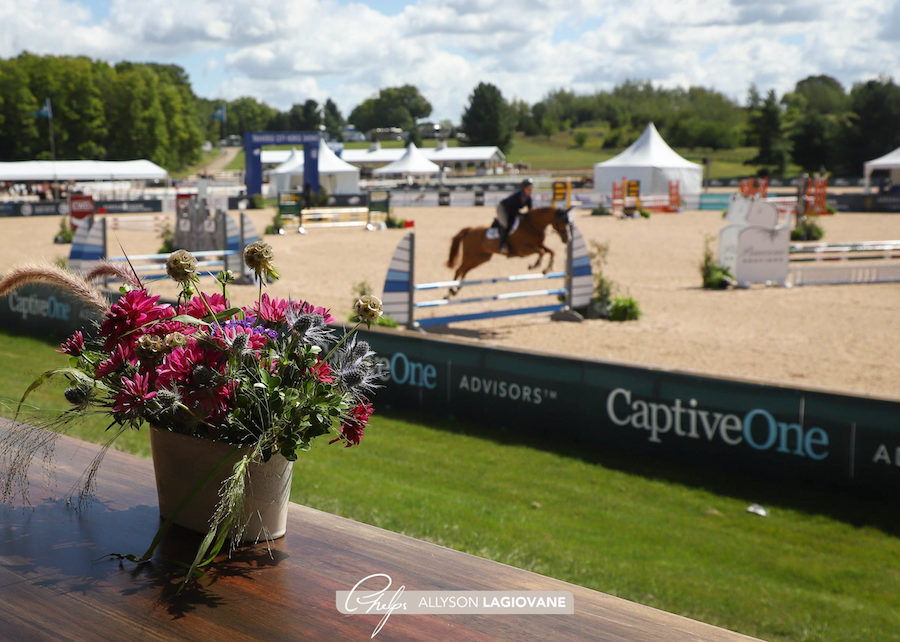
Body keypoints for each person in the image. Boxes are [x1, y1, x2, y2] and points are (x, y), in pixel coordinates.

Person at [496, 178, 533, 253]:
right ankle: (502, 245)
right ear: (523, 188)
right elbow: (509, 209)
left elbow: (530, 211)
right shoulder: (516, 196)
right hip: (503, 208)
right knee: (506, 225)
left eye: (531, 188)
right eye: (529, 188)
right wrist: (520, 214)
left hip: (512, 210)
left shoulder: (528, 198)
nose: (530, 190)